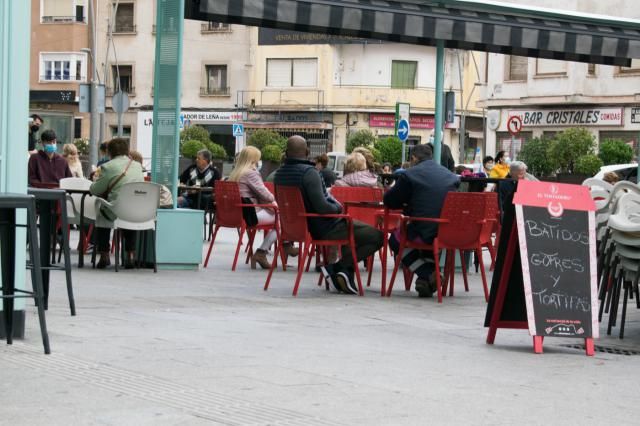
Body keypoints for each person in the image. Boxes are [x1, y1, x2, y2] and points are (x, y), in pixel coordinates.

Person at [274, 135, 383, 294]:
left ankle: (343, 275)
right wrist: (338, 208)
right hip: (325, 228)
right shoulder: (309, 173)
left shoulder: (279, 174)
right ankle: (337, 268)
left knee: (353, 235)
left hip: (296, 228)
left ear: (286, 152)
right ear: (307, 151)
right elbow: (323, 207)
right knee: (378, 236)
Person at [384, 144, 460, 298]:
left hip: (423, 229)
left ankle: (428, 274)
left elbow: (390, 201)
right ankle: (425, 282)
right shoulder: (451, 177)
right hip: (447, 231)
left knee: (395, 241)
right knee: (426, 240)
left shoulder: (409, 175)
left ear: (413, 158)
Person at [229, 146, 298, 269]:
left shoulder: (235, 173)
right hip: (251, 214)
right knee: (283, 221)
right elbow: (264, 193)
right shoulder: (250, 173)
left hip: (240, 214)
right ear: (253, 159)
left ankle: (286, 246)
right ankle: (262, 252)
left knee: (279, 218)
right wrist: (275, 201)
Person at [90, 138, 145, 269]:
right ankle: (130, 255)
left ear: (109, 152)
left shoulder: (108, 166)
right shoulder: (137, 166)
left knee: (102, 212)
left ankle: (104, 255)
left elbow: (95, 190)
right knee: (128, 214)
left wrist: (94, 181)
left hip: (115, 210)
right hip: (136, 211)